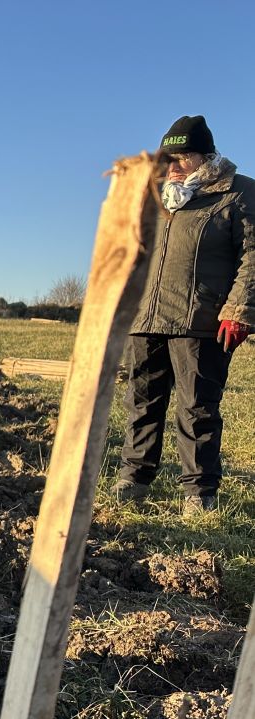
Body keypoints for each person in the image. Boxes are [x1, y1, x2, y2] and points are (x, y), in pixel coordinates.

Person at [114, 115, 255, 511]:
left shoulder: (239, 193)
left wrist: (239, 311)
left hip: (201, 321)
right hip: (146, 318)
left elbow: (252, 257)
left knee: (197, 409)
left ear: (205, 157)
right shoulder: (155, 197)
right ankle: (134, 478)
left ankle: (199, 491)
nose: (172, 166)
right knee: (141, 401)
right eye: (167, 158)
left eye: (181, 157)